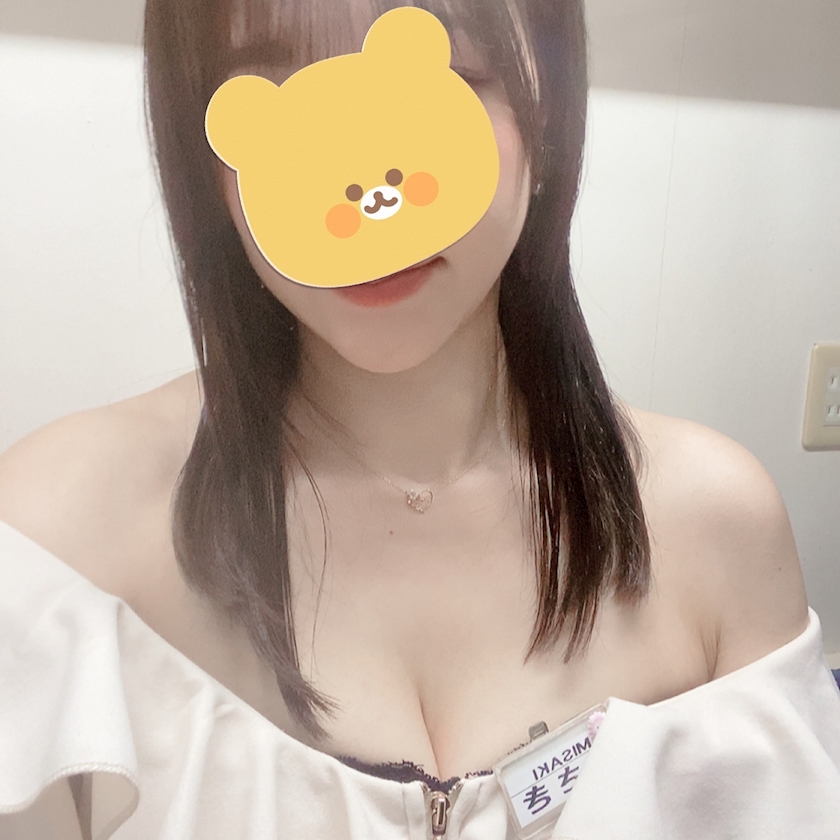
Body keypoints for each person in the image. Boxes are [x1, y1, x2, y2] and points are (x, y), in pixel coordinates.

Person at [0, 0, 838, 838]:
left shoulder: (717, 526)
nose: (369, 187)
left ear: (546, 113)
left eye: (440, 74)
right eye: (275, 96)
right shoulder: (55, 543)